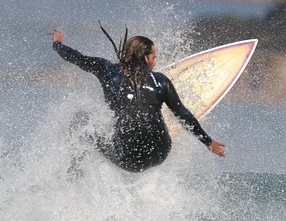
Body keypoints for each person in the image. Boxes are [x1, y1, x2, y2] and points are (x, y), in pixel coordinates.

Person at [50, 28, 226, 172]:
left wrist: (57, 44)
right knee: (159, 108)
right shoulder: (161, 81)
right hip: (161, 152)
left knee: (82, 123)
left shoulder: (105, 69)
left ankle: (74, 174)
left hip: (129, 161)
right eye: (154, 58)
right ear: (145, 58)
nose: (155, 63)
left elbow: (76, 58)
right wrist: (208, 142)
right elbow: (183, 114)